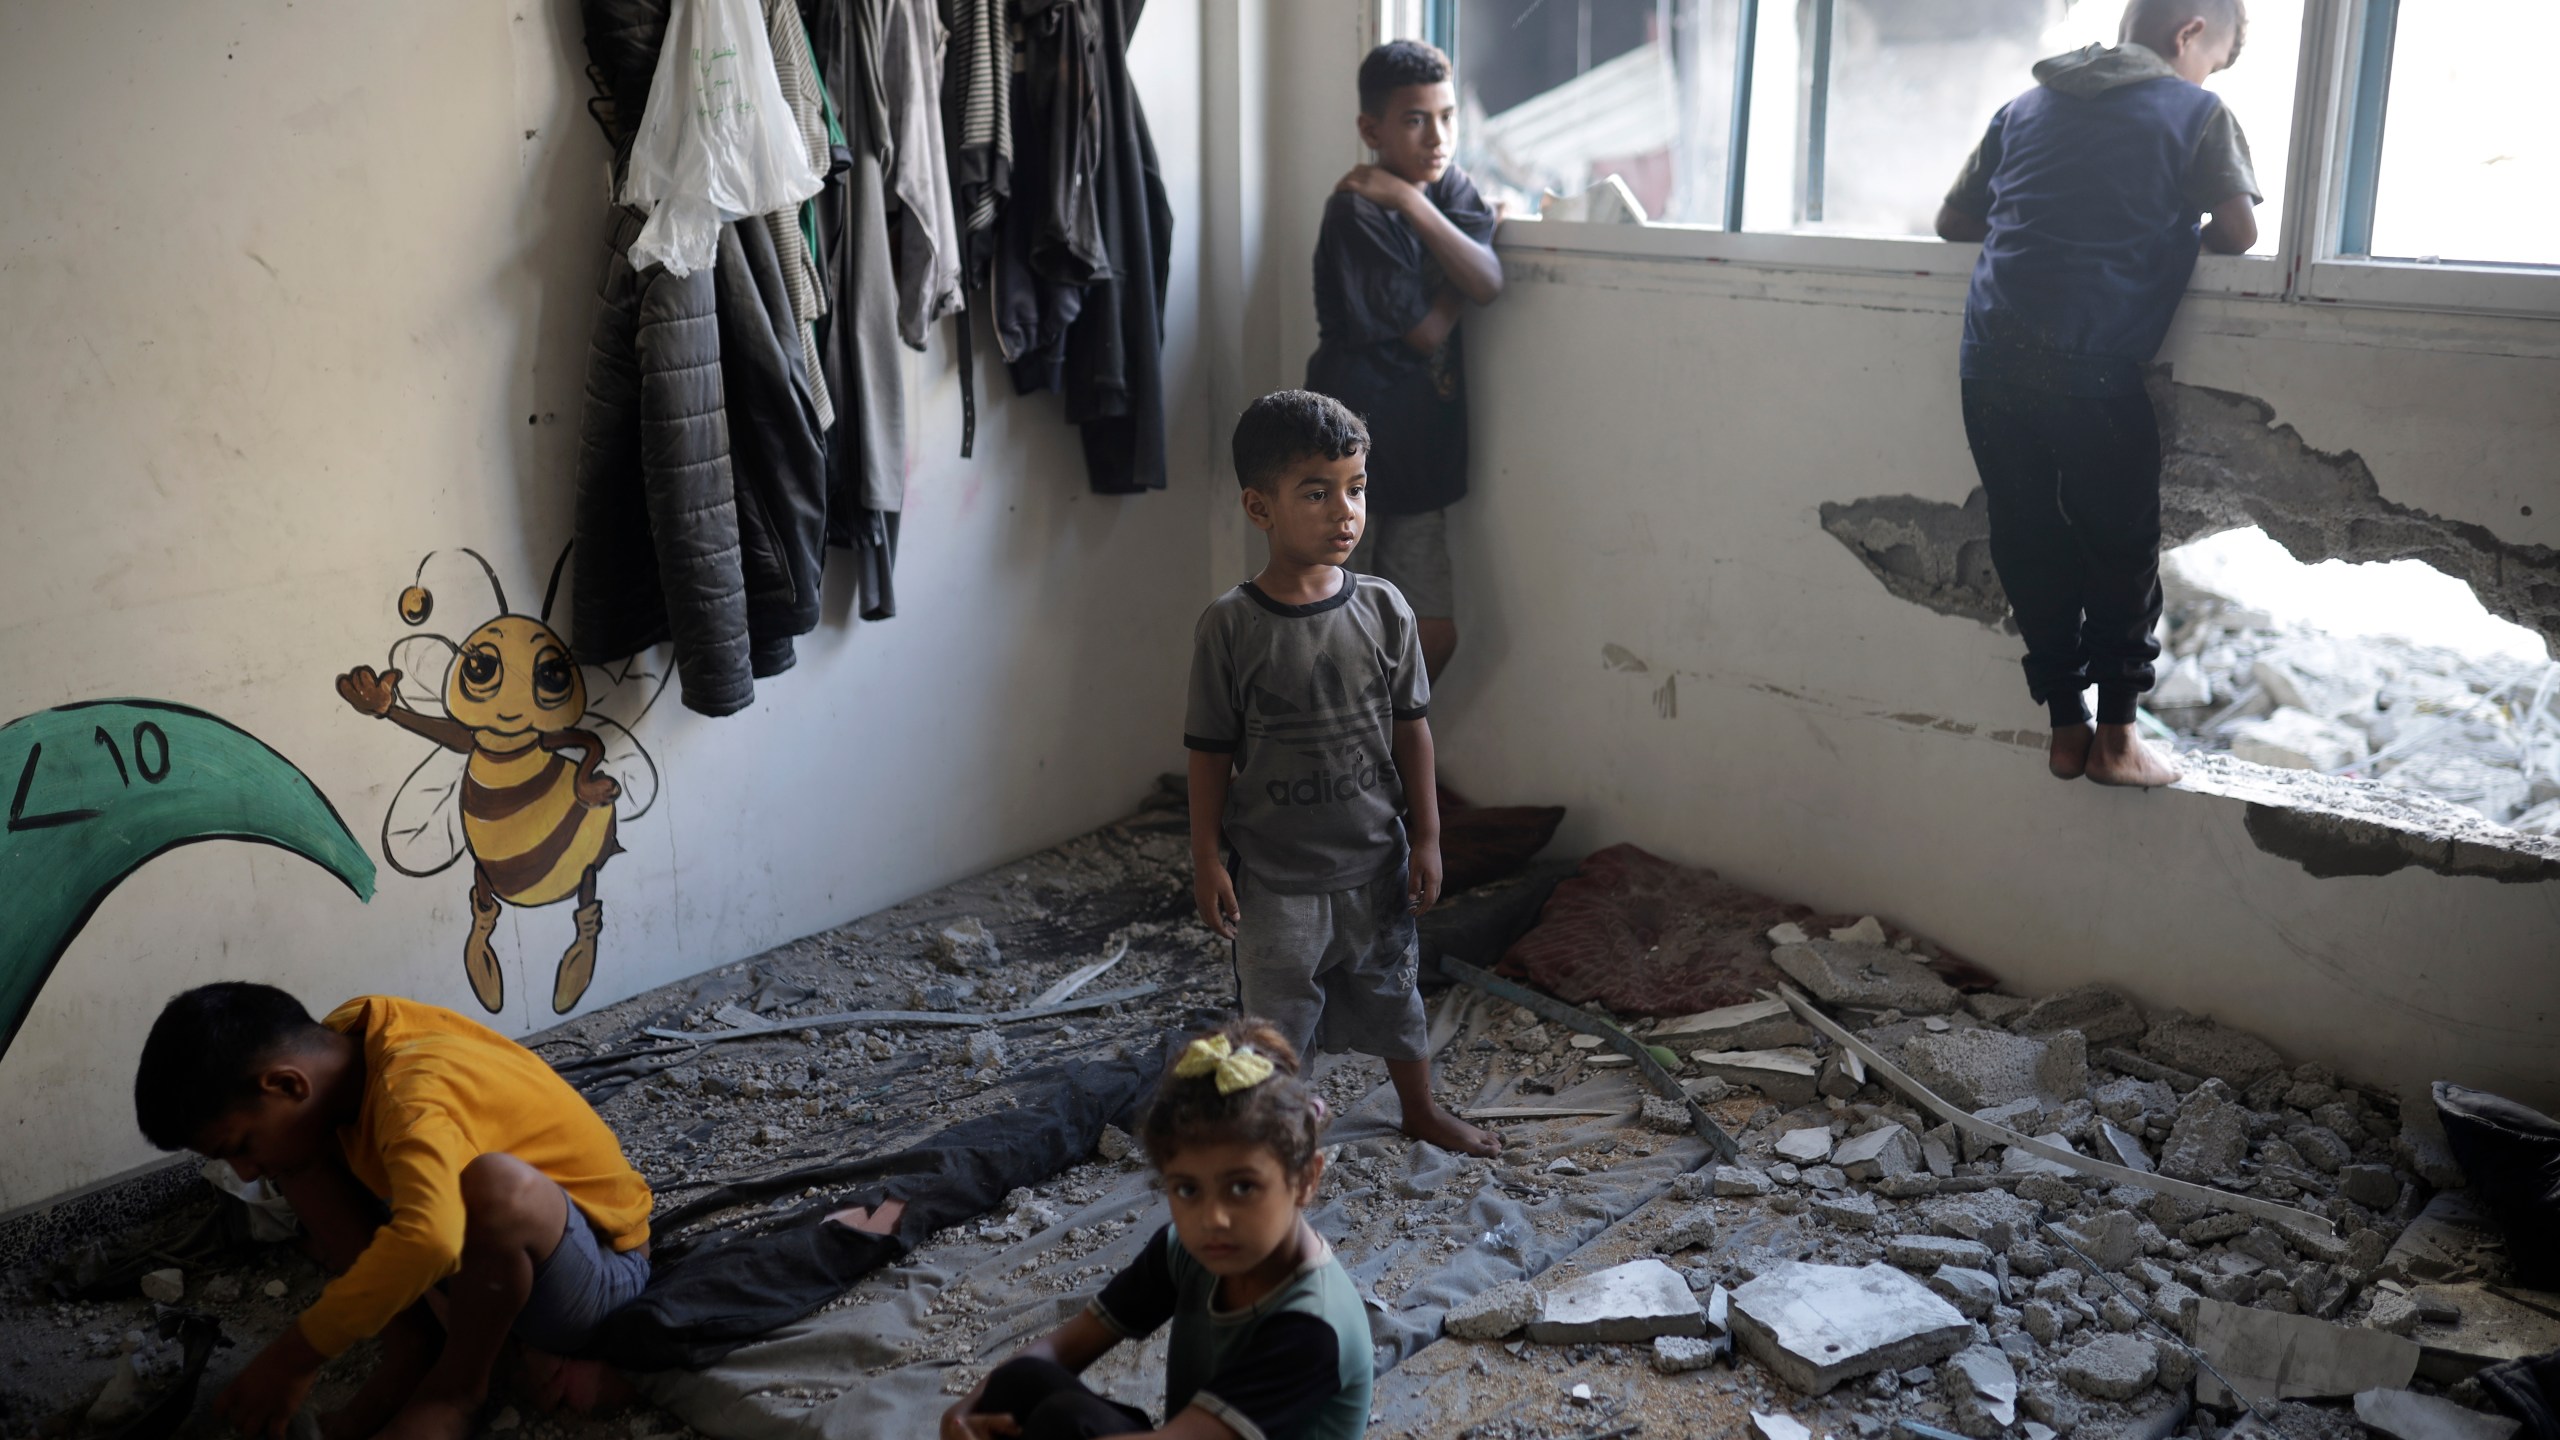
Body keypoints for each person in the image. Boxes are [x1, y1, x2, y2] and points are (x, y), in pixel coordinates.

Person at [1934, 0, 2261, 788]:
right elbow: (2240, 232)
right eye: (2212, 57)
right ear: (2189, 33)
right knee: (2120, 544)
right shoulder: (2197, 113)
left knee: (2027, 534)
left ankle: (2065, 726)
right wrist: (2168, 231)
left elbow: (1953, 222)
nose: (2206, 75)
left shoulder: (2024, 106)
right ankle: (2118, 737)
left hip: (1989, 360)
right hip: (2091, 363)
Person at [1184, 391, 1499, 1160]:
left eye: (1356, 489)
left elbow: (1413, 734)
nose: (1345, 512)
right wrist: (1203, 859)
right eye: (1317, 493)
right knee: (1276, 1018)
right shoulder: (1232, 625)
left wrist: (1426, 837)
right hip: (1278, 876)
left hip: (1374, 863)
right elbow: (1209, 752)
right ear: (1260, 507)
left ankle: (1420, 1109)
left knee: (1396, 996)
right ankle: (1279, 1128)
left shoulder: (1387, 610)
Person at [131, 983, 655, 1440]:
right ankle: (412, 1345)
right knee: (294, 1153)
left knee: (496, 1187)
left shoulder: (410, 1091)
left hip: (598, 1269)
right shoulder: (347, 1040)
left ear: (288, 1083)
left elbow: (432, 1241)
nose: (245, 1173)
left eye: (239, 1145)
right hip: (487, 1261)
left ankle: (457, 1390)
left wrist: (297, 1354)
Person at [941, 1021, 1371, 1440]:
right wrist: (966, 1412)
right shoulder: (1185, 1252)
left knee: (1061, 1423)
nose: (1212, 1218)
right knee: (1021, 1382)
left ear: (1306, 1179)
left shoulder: (1312, 1326)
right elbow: (1060, 1350)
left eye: (1243, 1187)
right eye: (1187, 1189)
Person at [1305, 38, 1504, 685]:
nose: (1437, 136)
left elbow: (1490, 281)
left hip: (1423, 450)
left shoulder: (1443, 188)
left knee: (1431, 631)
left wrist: (1416, 203)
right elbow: (1423, 332)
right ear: (1372, 129)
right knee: (1331, 626)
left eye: (1447, 116)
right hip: (1347, 452)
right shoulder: (1356, 210)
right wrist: (1456, 268)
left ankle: (1379, 766)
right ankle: (1329, 771)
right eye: (1416, 119)